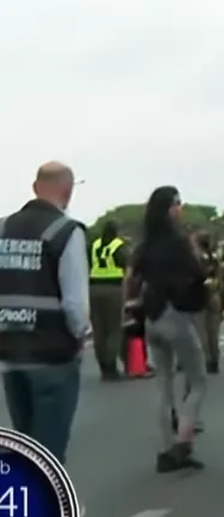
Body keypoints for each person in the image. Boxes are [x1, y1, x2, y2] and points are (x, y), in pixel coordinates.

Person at [0, 162, 89, 463]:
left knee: (26, 448)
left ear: (35, 188)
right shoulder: (66, 232)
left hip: (10, 352)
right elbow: (75, 301)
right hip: (53, 352)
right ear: (68, 191)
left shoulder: (2, 229)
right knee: (49, 451)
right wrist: (80, 336)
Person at [125, 185, 209, 472]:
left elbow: (133, 277)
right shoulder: (178, 242)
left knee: (163, 383)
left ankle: (164, 447)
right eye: (177, 203)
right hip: (175, 315)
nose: (180, 208)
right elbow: (198, 272)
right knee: (198, 379)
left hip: (152, 317)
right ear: (168, 209)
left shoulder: (145, 244)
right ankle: (183, 442)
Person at [89, 220, 129, 380]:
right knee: (113, 329)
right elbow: (126, 266)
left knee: (99, 329)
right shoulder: (118, 245)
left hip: (93, 288)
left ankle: (102, 366)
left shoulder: (95, 245)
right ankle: (111, 365)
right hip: (113, 288)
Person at [194, 232, 223, 375]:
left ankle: (205, 360)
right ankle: (214, 360)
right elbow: (220, 277)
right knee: (214, 331)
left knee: (201, 331)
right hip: (214, 294)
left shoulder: (197, 258)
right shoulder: (214, 257)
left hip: (201, 295)